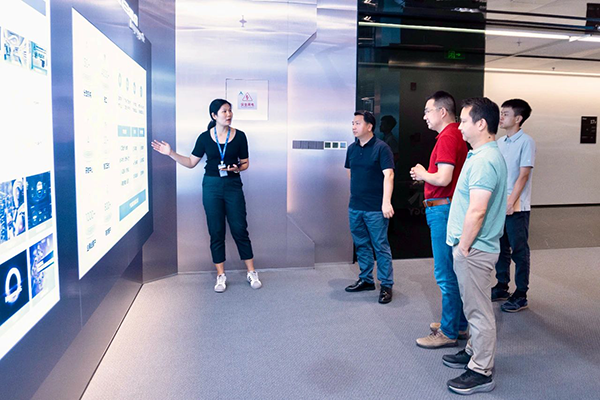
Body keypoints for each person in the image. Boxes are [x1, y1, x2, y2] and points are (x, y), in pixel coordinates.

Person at [151, 99, 261, 292]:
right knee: (216, 230)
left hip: (233, 185)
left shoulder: (240, 136)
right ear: (214, 115)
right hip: (211, 186)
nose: (229, 114)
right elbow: (191, 162)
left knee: (239, 228)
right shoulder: (204, 138)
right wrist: (171, 153)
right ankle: (220, 275)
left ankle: (251, 272)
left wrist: (236, 168)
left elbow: (245, 163)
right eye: (224, 111)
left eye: (230, 111)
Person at [443, 97, 507, 395]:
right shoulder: (480, 155)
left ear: (481, 124)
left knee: (479, 311)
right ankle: (472, 352)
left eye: (464, 121)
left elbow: (478, 210)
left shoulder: (484, 160)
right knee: (472, 306)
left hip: (475, 249)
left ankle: (481, 370)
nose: (459, 126)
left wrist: (463, 247)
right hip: (474, 247)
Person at [410, 91, 469, 349]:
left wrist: (423, 173)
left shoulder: (447, 136)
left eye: (427, 111)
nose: (424, 116)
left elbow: (444, 178)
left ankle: (448, 331)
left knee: (445, 273)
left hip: (442, 208)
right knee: (451, 271)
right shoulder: (453, 135)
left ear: (442, 112)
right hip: (446, 208)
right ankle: (458, 324)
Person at [344, 111, 395, 304]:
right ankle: (366, 280)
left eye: (357, 123)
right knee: (361, 244)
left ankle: (386, 284)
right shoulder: (351, 149)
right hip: (355, 206)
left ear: (369, 126)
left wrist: (386, 202)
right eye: (352, 123)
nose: (353, 127)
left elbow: (389, 175)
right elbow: (351, 174)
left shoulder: (382, 148)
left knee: (380, 246)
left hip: (375, 208)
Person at [492, 99, 535, 313]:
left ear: (518, 118)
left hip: (517, 207)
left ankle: (521, 294)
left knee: (519, 250)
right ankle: (502, 286)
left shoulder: (526, 142)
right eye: (501, 113)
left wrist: (510, 202)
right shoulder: (500, 142)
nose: (501, 117)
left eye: (506, 114)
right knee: (501, 248)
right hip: (500, 205)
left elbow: (523, 175)